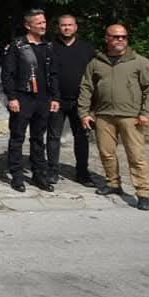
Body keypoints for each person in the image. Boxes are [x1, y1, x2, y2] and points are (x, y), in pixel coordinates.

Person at [79, 24, 149, 211]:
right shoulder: (96, 63)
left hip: (131, 117)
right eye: (116, 37)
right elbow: (86, 87)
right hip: (104, 115)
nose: (120, 40)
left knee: (136, 155)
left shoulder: (139, 62)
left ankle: (143, 193)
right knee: (106, 153)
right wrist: (84, 112)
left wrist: (146, 113)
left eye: (123, 36)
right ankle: (113, 183)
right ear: (107, 38)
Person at [2, 9, 60, 192]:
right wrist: (12, 97)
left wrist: (55, 97)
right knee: (17, 137)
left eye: (44, 22)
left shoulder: (48, 46)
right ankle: (17, 176)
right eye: (39, 23)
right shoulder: (18, 46)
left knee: (38, 138)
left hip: (43, 99)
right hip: (22, 97)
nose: (43, 26)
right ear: (28, 25)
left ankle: (39, 175)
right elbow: (8, 74)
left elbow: (53, 74)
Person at [50, 14, 96, 186]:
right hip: (56, 100)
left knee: (82, 138)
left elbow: (94, 76)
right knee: (53, 137)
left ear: (75, 27)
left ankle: (82, 173)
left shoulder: (87, 49)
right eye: (63, 25)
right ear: (58, 27)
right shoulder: (50, 47)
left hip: (80, 101)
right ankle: (52, 172)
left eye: (70, 25)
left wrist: (92, 103)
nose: (67, 28)